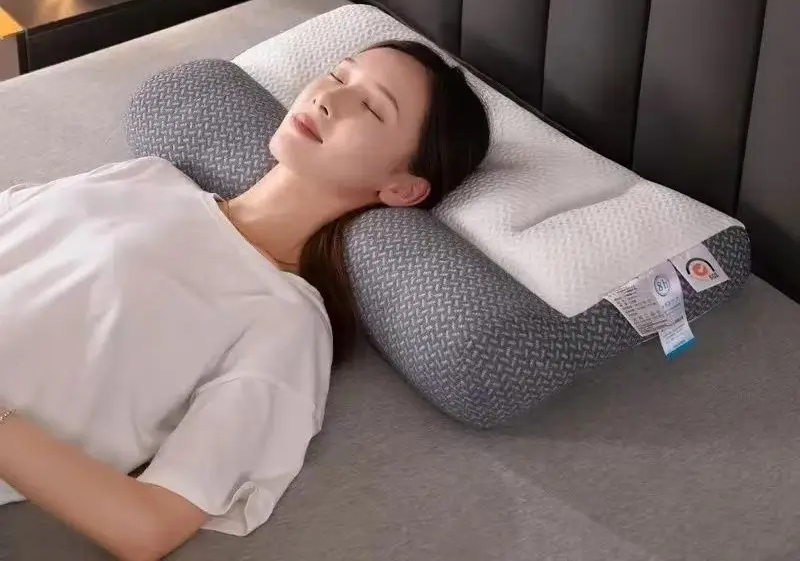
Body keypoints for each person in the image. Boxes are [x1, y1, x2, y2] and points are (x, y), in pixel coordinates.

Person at [0, 39, 490, 560]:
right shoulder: (147, 175)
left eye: (370, 107)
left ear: (403, 189)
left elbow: (149, 526)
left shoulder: (285, 322)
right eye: (339, 75)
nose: (329, 99)